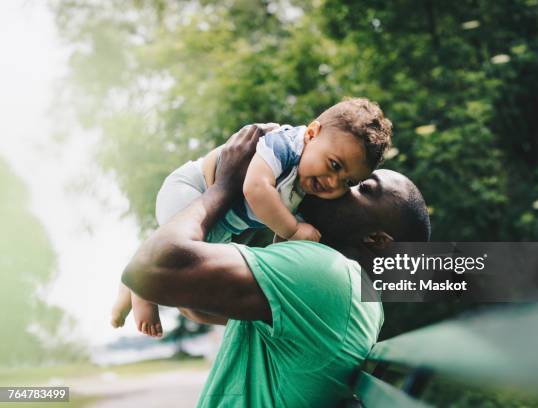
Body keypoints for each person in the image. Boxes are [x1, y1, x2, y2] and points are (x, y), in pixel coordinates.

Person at [121, 124, 430, 407]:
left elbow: (150, 269)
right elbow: (194, 305)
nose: (339, 186)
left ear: (376, 240)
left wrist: (226, 184)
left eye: (360, 186)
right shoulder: (349, 294)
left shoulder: (325, 274)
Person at [111, 98, 392, 337]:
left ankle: (131, 279)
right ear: (311, 134)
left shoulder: (308, 186)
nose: (333, 182)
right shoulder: (285, 145)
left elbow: (281, 236)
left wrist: (285, 250)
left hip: (221, 220)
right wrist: (294, 230)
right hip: (193, 190)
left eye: (346, 181)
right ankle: (144, 294)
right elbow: (255, 189)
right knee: (174, 254)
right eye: (334, 165)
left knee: (197, 267)